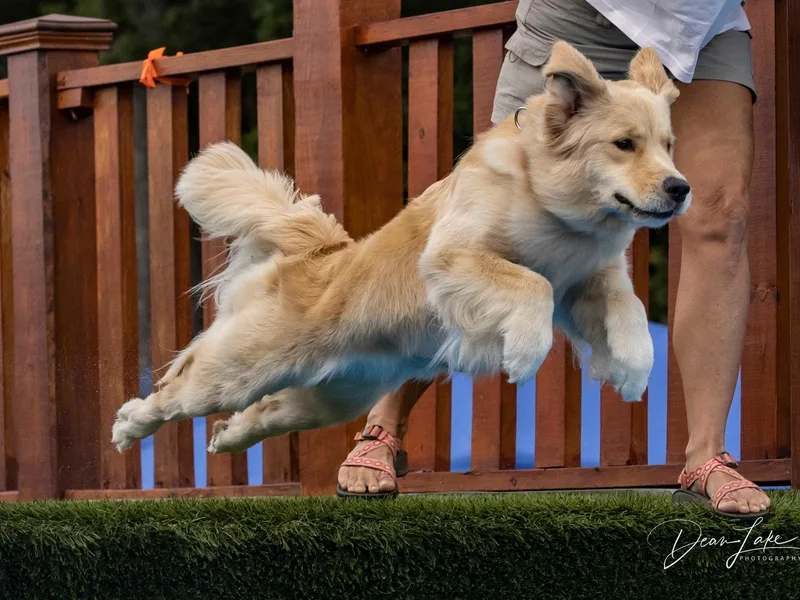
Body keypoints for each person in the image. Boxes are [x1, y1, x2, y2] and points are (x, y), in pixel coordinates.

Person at [337, 0, 771, 517]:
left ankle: (706, 455)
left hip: (703, 25)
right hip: (578, 15)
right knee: (492, 232)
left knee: (720, 214)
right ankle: (386, 422)